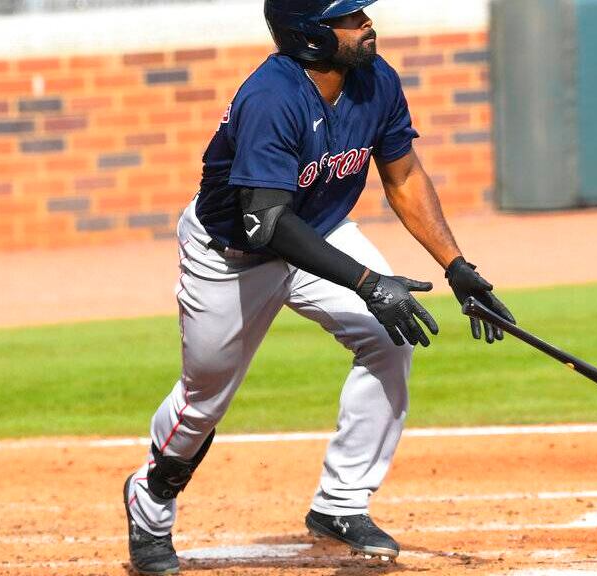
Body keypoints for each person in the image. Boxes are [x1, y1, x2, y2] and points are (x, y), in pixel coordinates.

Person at [123, 0, 515, 573]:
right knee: (204, 398)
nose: (366, 24)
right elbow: (266, 223)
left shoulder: (375, 79)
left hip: (320, 231)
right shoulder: (271, 98)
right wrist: (368, 283)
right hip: (232, 255)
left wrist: (456, 266)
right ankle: (151, 500)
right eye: (349, 17)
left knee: (389, 340)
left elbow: (403, 175)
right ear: (309, 34)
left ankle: (341, 502)